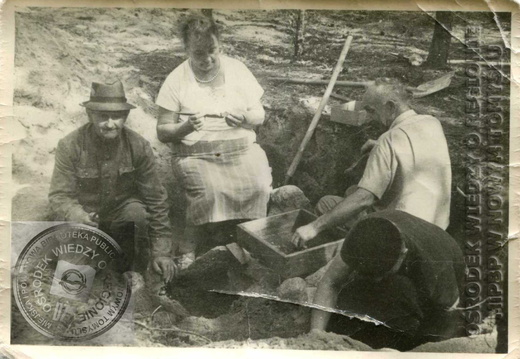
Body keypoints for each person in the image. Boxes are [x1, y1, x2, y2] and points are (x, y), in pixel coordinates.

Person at [155, 13, 272, 257]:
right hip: (197, 156)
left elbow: (259, 115)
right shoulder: (176, 80)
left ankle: (249, 242)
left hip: (241, 151)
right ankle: (189, 247)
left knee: (259, 186)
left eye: (213, 50)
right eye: (198, 53)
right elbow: (163, 131)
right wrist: (185, 127)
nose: (207, 59)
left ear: (220, 45)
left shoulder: (237, 70)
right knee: (209, 192)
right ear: (186, 49)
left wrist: (245, 119)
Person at [292, 78, 452, 248]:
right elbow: (418, 151)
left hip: (401, 236)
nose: (368, 118)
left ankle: (337, 257)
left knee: (326, 203)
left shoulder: (388, 140)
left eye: (371, 111)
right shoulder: (432, 123)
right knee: (349, 193)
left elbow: (364, 199)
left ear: (390, 107)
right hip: (436, 227)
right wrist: (380, 146)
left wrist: (314, 227)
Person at [49, 80, 177, 282]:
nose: (110, 123)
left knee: (137, 214)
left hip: (121, 217)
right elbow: (59, 195)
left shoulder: (138, 146)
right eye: (102, 116)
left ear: (125, 117)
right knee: (72, 283)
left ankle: (128, 270)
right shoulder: (70, 145)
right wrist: (76, 213)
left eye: (116, 116)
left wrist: (161, 252)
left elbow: (156, 200)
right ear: (90, 115)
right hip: (84, 218)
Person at [311, 210, 465, 350]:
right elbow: (331, 282)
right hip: (406, 244)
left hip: (439, 275)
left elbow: (446, 318)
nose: (377, 279)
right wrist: (316, 333)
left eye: (383, 273)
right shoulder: (364, 232)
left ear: (403, 254)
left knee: (404, 312)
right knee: (345, 308)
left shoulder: (434, 267)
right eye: (370, 274)